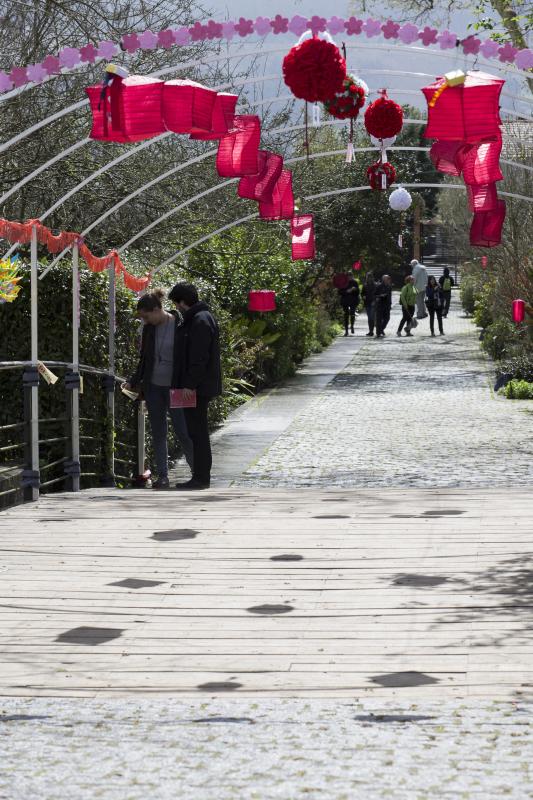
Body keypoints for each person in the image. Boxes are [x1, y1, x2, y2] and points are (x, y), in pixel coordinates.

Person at [126, 290, 194, 491]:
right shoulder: (149, 329)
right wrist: (133, 381)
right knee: (158, 432)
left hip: (177, 387)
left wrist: (190, 383)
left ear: (157, 309)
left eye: (146, 316)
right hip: (154, 387)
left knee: (184, 431)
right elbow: (144, 359)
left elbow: (188, 357)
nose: (145, 321)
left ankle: (197, 473)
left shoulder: (180, 324)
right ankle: (163, 476)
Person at [168, 282, 222, 490]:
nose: (178, 308)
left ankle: (200, 477)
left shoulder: (199, 320)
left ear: (182, 302)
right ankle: (199, 476)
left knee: (197, 431)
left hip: (197, 387)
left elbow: (199, 357)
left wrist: (190, 384)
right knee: (195, 431)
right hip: (197, 385)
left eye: (177, 303)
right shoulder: (200, 318)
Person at [362, 271, 376, 337]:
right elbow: (362, 293)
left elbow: (376, 294)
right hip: (367, 303)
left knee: (371, 317)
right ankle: (370, 331)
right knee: (369, 318)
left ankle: (371, 331)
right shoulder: (365, 285)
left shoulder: (375, 285)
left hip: (373, 303)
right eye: (367, 277)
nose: (369, 278)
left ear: (372, 277)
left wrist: (374, 301)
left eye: (370, 277)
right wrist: (363, 296)